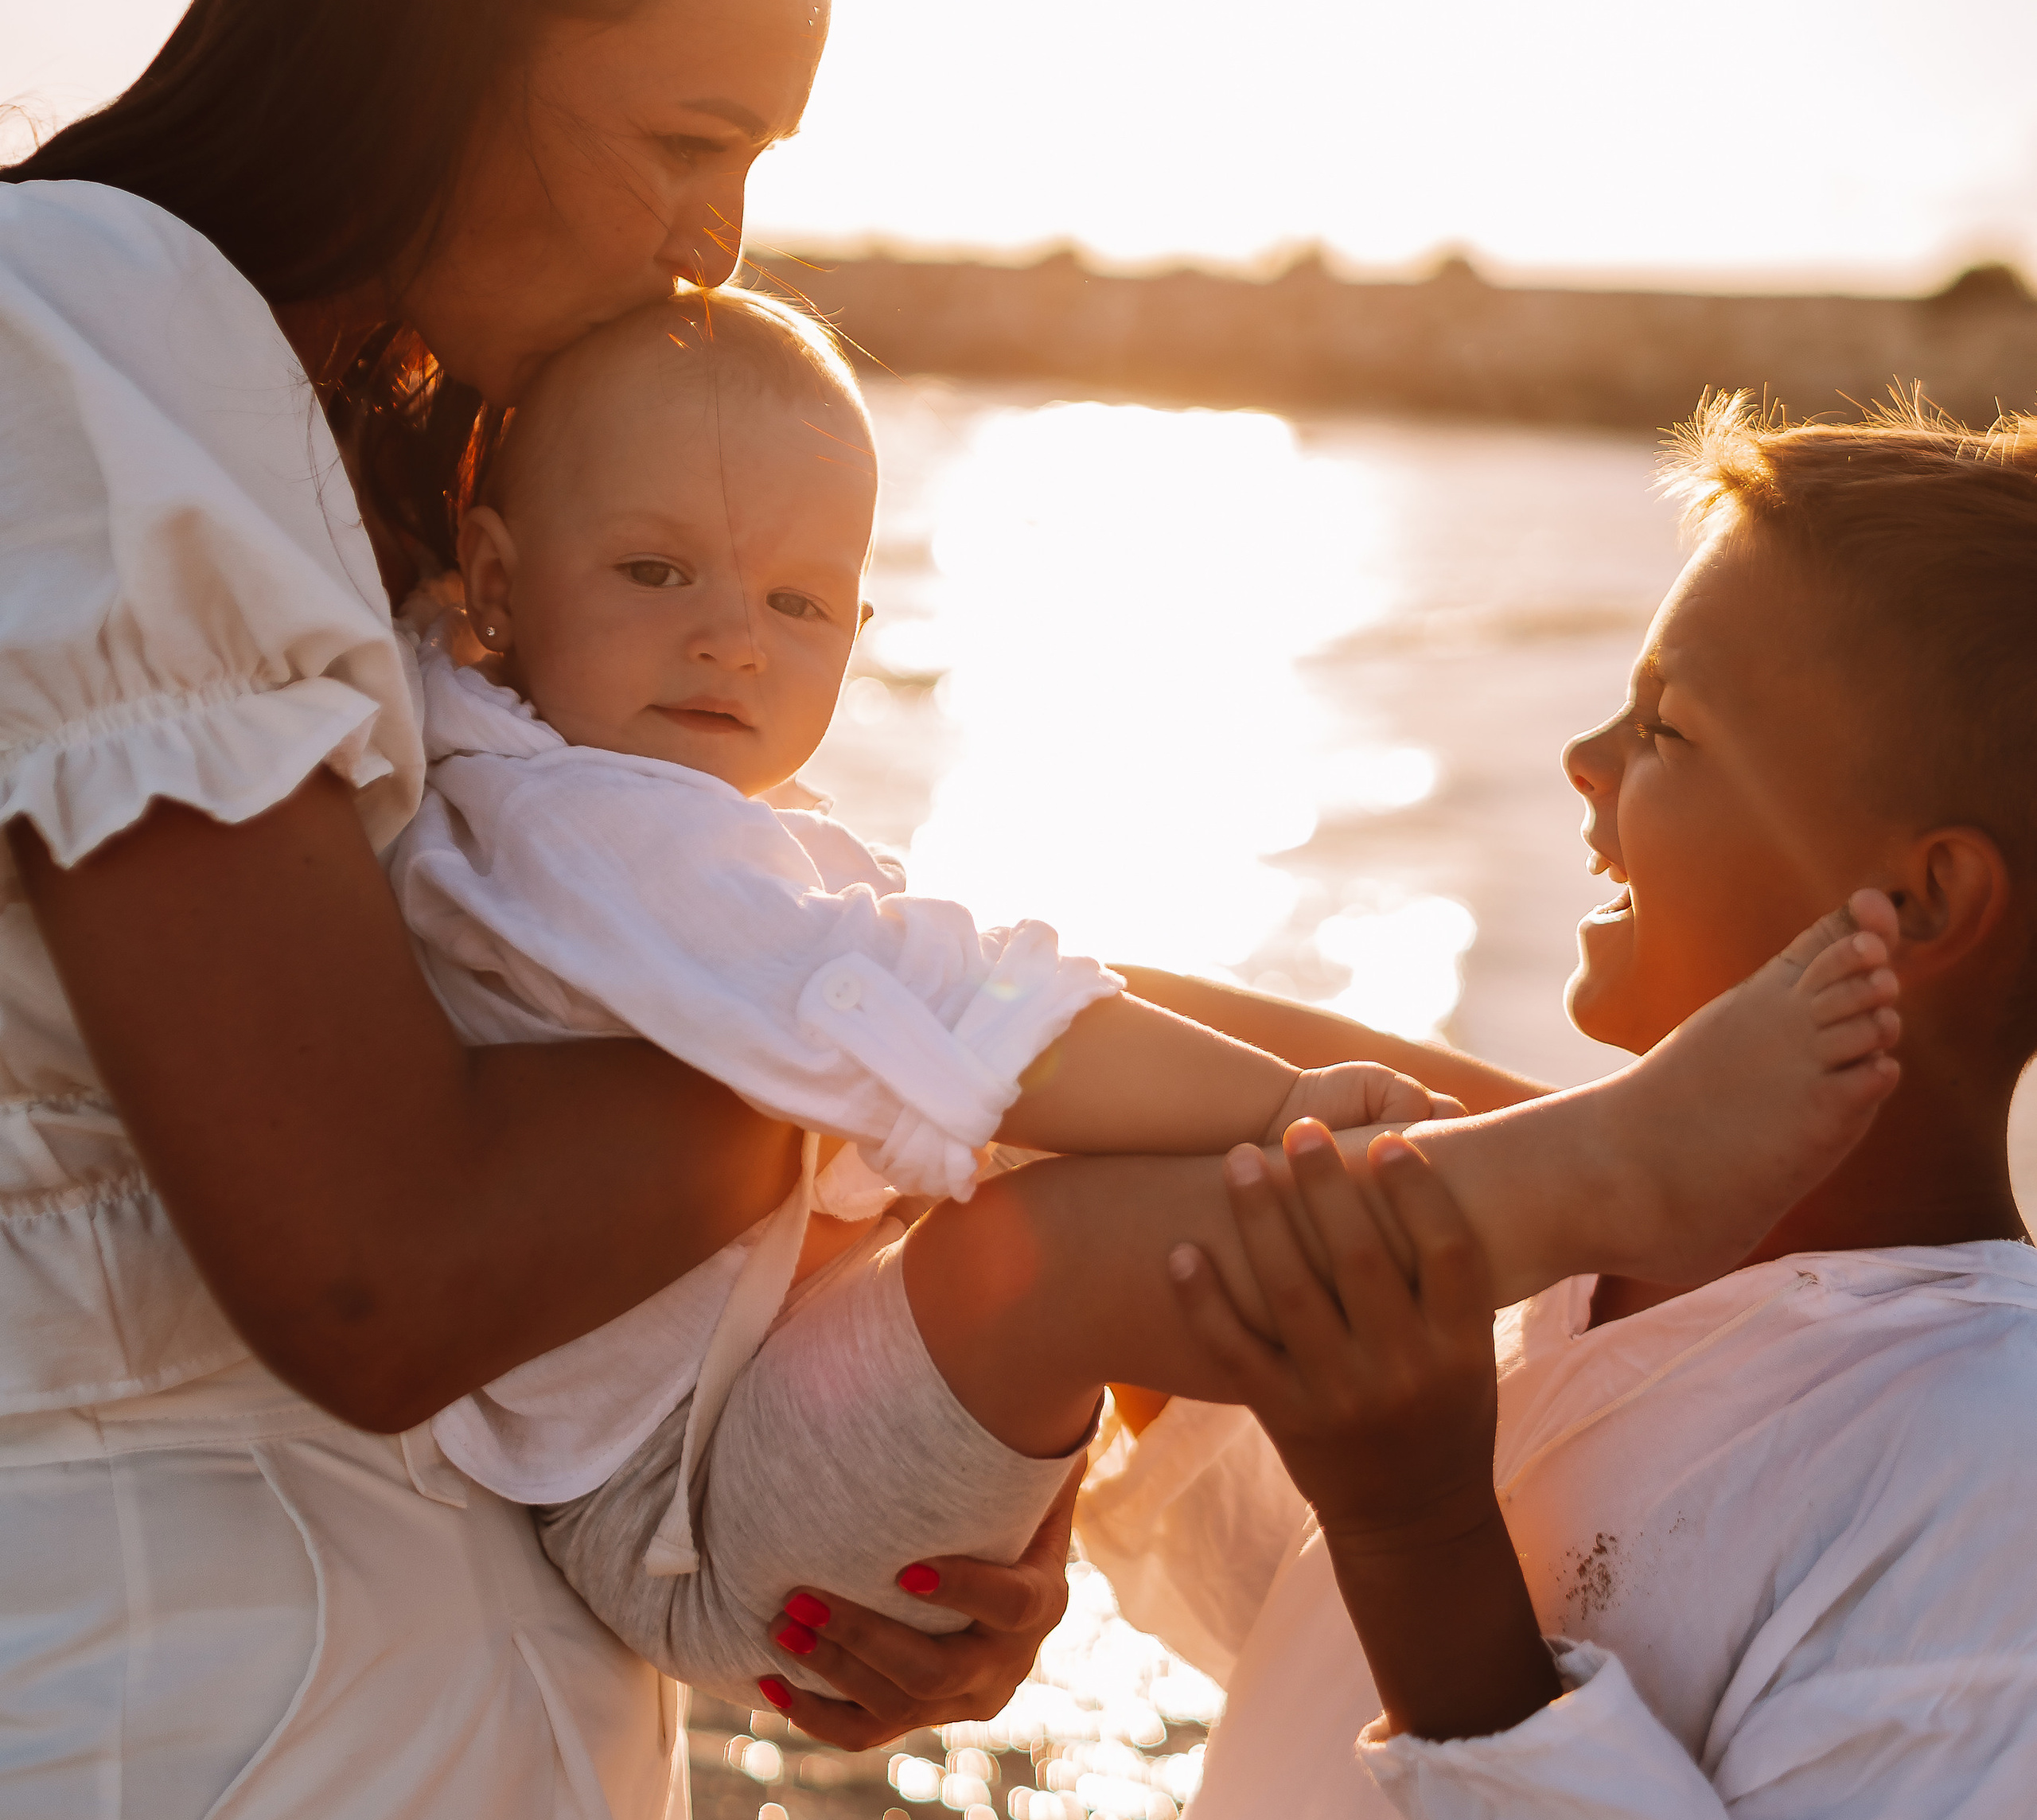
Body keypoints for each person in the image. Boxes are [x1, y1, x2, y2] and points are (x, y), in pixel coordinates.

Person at [0, 0, 1075, 1820]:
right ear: (444, 22)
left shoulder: (393, 492)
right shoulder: (82, 326)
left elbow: (538, 1236)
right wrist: (891, 1050)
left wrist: (847, 1519)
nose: (713, 247)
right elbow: (378, 1267)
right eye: (685, 138)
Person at [389, 287, 1901, 1709]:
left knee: (1068, 1131)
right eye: (657, 572)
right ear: (500, 581)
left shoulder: (579, 779)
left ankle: (1543, 1182)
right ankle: (1587, 1180)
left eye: (796, 601)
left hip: (720, 1425)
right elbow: (932, 1006)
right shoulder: (594, 833)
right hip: (675, 1515)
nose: (729, 635)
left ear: (860, 636)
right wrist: (1288, 1107)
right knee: (1050, 1234)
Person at [1081, 396, 2037, 1820]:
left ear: (1919, 907)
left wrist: (1420, 1527)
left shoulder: (1983, 1462)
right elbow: (1310, 1661)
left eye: (1665, 727)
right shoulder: (1580, 1255)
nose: (1582, 765)